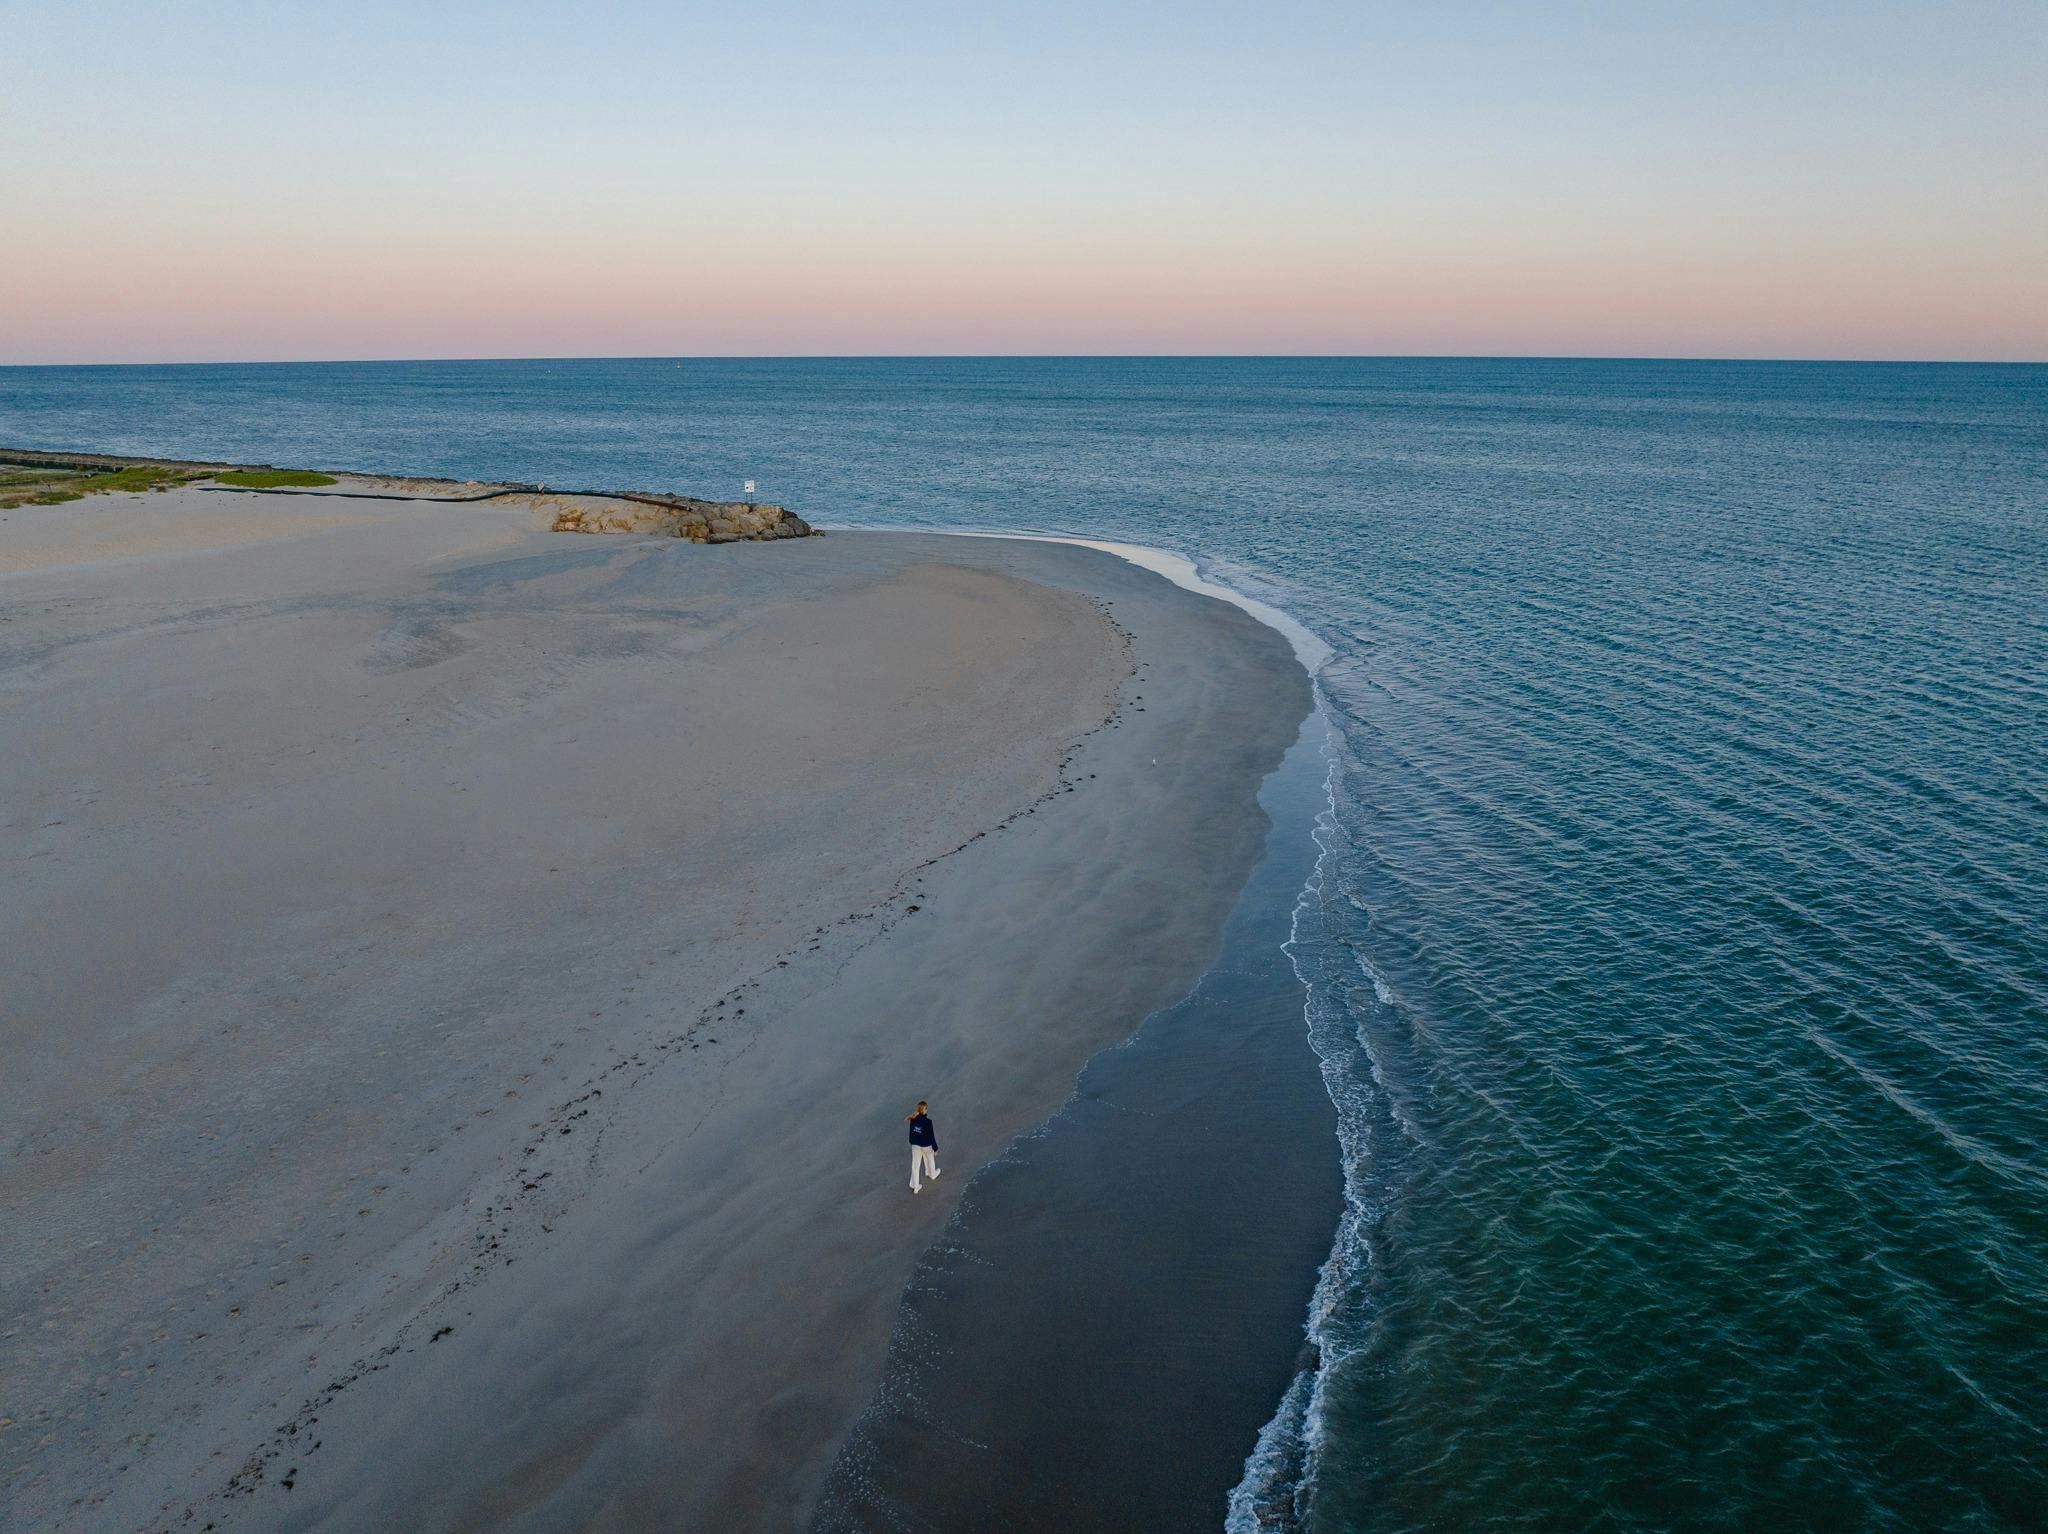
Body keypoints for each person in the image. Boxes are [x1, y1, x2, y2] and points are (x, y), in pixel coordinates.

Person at [907, 1101, 940, 1193]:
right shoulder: (928, 1122)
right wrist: (935, 1148)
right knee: (930, 1159)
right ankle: (932, 1174)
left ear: (918, 1109)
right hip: (926, 1145)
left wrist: (912, 1142)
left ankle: (915, 1186)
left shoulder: (913, 1119)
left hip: (915, 1145)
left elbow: (912, 1132)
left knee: (915, 1165)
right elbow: (931, 1136)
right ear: (926, 1110)